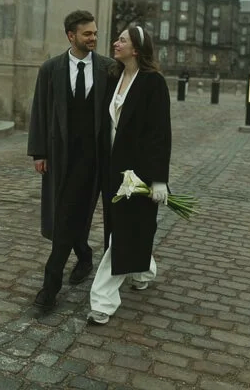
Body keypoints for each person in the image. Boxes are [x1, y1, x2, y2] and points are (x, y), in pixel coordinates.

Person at [27, 10, 114, 310]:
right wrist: (39, 152)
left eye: (95, 33)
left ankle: (61, 279)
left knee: (71, 214)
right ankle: (70, 268)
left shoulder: (108, 69)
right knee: (66, 213)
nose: (93, 38)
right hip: (61, 156)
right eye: (87, 33)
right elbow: (40, 111)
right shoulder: (50, 69)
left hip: (95, 159)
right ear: (71, 36)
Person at [87, 25, 171, 325]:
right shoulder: (115, 77)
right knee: (125, 228)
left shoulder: (153, 83)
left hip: (138, 172)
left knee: (121, 233)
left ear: (136, 49)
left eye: (121, 40)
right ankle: (144, 268)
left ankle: (102, 301)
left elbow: (160, 134)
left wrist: (159, 179)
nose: (115, 42)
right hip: (112, 169)